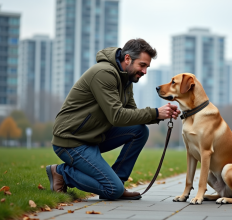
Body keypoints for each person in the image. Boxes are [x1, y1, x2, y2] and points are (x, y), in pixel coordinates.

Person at [46, 39, 180, 200]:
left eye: (147, 67)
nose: (145, 71)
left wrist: (160, 114)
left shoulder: (126, 79)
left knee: (139, 130)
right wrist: (155, 113)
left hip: (92, 136)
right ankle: (62, 173)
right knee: (112, 190)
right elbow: (116, 116)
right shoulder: (104, 73)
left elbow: (130, 114)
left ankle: (117, 181)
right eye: (142, 65)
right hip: (72, 141)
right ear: (128, 59)